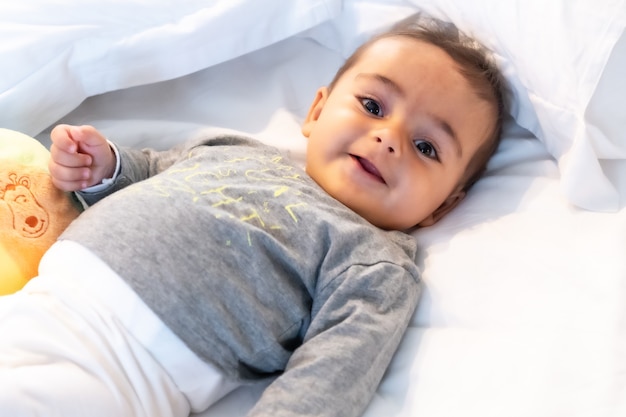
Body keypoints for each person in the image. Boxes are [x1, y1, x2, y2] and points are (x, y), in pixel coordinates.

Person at [0, 15, 505, 417]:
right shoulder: (236, 149)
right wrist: (102, 165)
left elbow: (334, 373)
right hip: (41, 299)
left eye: (425, 146)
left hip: (122, 367)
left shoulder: (372, 261)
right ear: (316, 113)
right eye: (373, 105)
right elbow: (152, 170)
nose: (389, 137)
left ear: (443, 206)